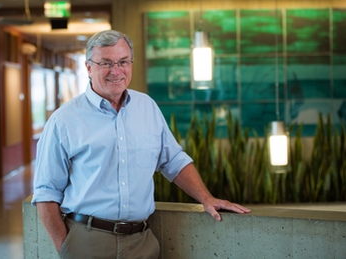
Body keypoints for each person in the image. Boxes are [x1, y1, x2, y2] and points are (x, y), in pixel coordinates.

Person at [32, 29, 251, 259]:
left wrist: (207, 199)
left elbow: (174, 160)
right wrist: (67, 248)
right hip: (87, 242)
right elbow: (46, 192)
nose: (116, 71)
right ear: (89, 67)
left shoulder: (147, 107)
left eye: (123, 62)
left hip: (141, 242)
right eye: (106, 63)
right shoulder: (64, 119)